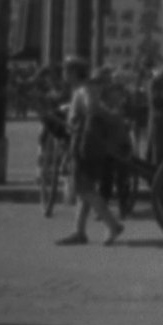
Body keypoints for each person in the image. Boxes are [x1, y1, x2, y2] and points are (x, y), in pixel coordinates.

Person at [56, 58, 129, 246]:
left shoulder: (85, 90)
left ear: (73, 73)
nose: (63, 74)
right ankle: (79, 231)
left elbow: (93, 111)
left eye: (65, 70)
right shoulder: (84, 89)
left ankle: (112, 224)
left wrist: (77, 126)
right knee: (84, 190)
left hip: (86, 145)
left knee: (84, 189)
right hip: (88, 144)